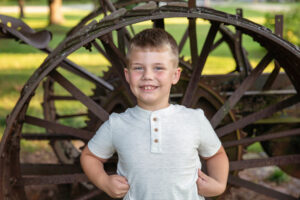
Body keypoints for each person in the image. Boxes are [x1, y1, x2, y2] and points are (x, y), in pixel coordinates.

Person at [80, 28, 229, 200]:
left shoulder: (194, 120)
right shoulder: (117, 124)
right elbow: (90, 156)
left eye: (158, 68)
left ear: (175, 75)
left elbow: (216, 154)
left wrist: (219, 184)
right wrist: (104, 182)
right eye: (138, 68)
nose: (148, 76)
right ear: (127, 75)